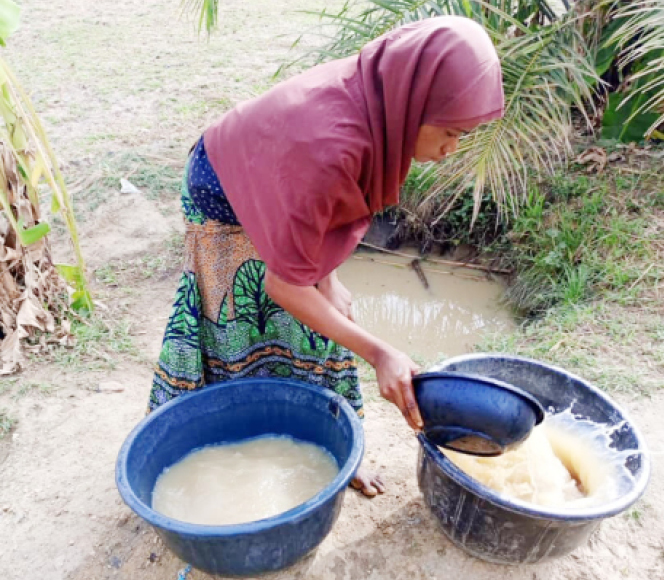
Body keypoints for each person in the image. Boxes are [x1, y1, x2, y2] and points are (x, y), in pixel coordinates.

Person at [148, 15, 504, 496]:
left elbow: (326, 214)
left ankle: (336, 450)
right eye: (449, 132)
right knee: (248, 321)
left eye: (464, 136)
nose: (451, 149)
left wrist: (329, 279)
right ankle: (223, 454)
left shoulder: (381, 100)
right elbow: (283, 283)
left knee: (329, 315)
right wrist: (381, 352)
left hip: (281, 177)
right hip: (224, 191)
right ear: (413, 103)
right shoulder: (335, 147)